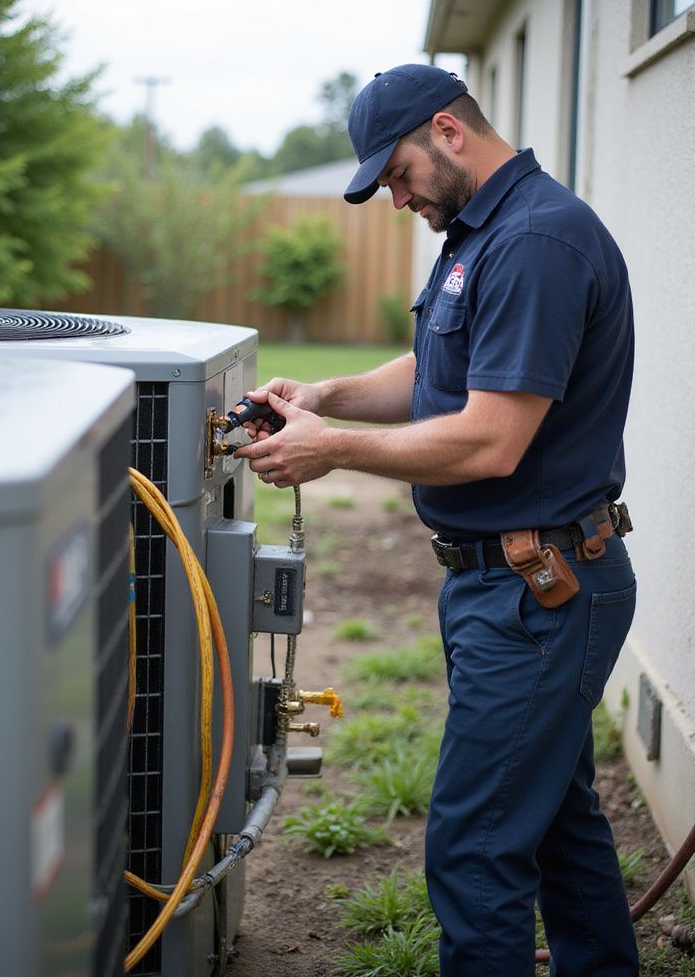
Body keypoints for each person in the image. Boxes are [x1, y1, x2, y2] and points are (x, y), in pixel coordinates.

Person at [234, 63, 639, 975]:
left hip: (541, 593)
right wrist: (324, 393)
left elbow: (491, 440)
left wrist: (330, 446)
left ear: (448, 133)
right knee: (558, 828)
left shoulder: (538, 242)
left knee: (476, 847)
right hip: (509, 586)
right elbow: (439, 379)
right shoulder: (478, 235)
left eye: (398, 173)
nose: (394, 196)